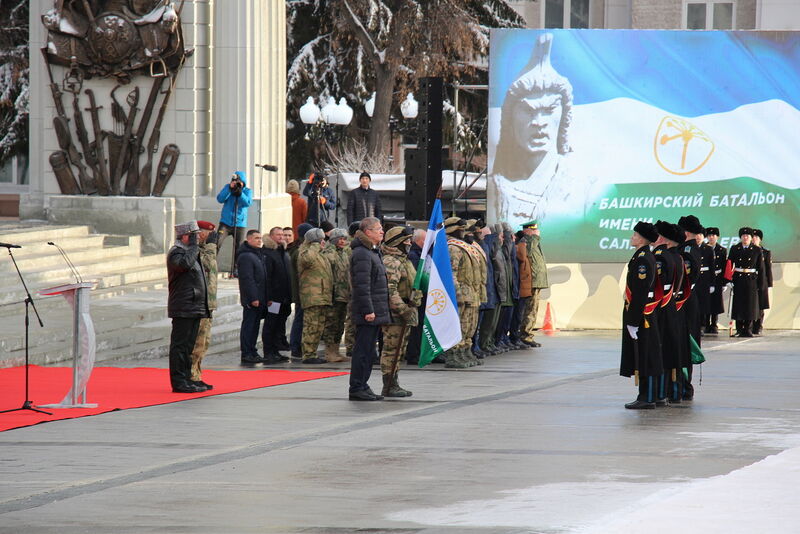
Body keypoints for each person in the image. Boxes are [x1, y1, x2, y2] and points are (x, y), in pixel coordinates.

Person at [489, 33, 589, 230]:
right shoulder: (496, 186)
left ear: (563, 117)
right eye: (528, 110)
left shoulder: (582, 186)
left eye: (549, 110)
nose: (539, 122)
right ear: (510, 119)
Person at [620, 221, 663, 409]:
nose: (632, 238)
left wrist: (633, 320)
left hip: (642, 314)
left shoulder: (643, 259)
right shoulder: (642, 256)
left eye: (635, 235)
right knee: (644, 354)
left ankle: (647, 397)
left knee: (645, 355)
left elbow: (641, 291)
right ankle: (646, 395)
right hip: (642, 312)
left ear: (643, 239)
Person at [348, 217, 390, 401]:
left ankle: (363, 385)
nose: (382, 232)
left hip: (376, 308)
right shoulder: (362, 254)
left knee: (368, 352)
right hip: (368, 311)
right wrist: (368, 310)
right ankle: (357, 387)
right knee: (363, 351)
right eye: (378, 229)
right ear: (368, 232)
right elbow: (361, 286)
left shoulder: (372, 251)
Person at [166, 221, 210, 393]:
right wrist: (193, 246)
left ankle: (187, 378)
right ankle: (178, 381)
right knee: (180, 346)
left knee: (189, 346)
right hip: (183, 306)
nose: (198, 238)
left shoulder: (190, 252)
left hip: (194, 305)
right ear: (185, 236)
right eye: (194, 235)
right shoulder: (176, 253)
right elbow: (184, 265)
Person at [380, 226, 421, 397]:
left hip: (406, 311)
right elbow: (390, 291)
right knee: (391, 349)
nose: (409, 243)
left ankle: (394, 381)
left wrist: (417, 297)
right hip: (395, 313)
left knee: (400, 349)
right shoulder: (391, 262)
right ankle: (389, 384)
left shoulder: (404, 260)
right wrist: (403, 309)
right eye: (406, 241)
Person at [444, 217, 479, 368]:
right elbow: (451, 273)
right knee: (458, 325)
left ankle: (464, 351)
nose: (464, 232)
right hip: (460, 293)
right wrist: (457, 293)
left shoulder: (462, 246)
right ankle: (453, 354)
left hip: (469, 292)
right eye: (461, 229)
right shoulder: (452, 247)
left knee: (468, 326)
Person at [189, 221, 219, 390]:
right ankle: (191, 375)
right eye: (208, 233)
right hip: (199, 303)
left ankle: (197, 374)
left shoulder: (207, 249)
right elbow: (207, 264)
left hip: (208, 303)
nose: (211, 236)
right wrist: (211, 246)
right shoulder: (197, 250)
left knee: (204, 343)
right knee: (196, 343)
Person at [677, 215, 703, 400]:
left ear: (685, 233)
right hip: (686, 299)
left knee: (686, 342)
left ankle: (685, 386)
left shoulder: (688, 250)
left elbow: (686, 277)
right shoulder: (688, 248)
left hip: (685, 300)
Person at [298, 228, 333, 364]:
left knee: (318, 327)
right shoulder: (305, 252)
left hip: (322, 295)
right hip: (312, 295)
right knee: (311, 326)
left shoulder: (319, 253)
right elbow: (307, 260)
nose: (323, 242)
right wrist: (315, 245)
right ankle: (308, 355)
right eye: (320, 240)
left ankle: (312, 352)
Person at [237, 229, 272, 365]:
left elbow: (264, 278)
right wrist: (253, 298)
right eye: (256, 238)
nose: (259, 241)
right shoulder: (246, 256)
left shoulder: (258, 254)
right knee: (249, 325)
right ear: (249, 239)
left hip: (261, 297)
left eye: (260, 238)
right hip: (252, 299)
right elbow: (247, 279)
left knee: (255, 326)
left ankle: (252, 351)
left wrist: (266, 297)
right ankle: (247, 352)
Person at [726, 227, 764, 338]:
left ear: (751, 237)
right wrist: (728, 279)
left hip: (751, 280)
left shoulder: (757, 250)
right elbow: (729, 264)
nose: (745, 237)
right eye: (743, 235)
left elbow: (761, 269)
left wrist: (761, 284)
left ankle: (748, 328)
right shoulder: (735, 248)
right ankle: (739, 329)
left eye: (747, 235)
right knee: (738, 304)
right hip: (738, 279)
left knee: (749, 305)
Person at [321, 228, 351, 362]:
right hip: (333, 294)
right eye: (340, 239)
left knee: (340, 324)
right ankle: (329, 352)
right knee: (331, 324)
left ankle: (336, 350)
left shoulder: (344, 253)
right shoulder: (329, 252)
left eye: (344, 239)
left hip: (344, 294)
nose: (343, 241)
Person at [262, 226, 292, 360]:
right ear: (271, 236)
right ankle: (269, 351)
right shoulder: (268, 253)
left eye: (283, 235)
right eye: (278, 235)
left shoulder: (283, 251)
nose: (282, 237)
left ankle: (276, 350)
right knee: (271, 324)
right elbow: (267, 277)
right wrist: (269, 297)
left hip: (284, 296)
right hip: (273, 298)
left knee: (279, 324)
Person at [216, 171, 253, 275]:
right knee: (217, 242)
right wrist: (229, 189)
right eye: (235, 181)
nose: (236, 183)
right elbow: (220, 199)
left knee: (239, 247)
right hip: (225, 223)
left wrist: (240, 193)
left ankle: (237, 269)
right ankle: (211, 265)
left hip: (240, 223)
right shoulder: (227, 187)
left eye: (239, 181)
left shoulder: (247, 191)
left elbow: (247, 203)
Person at [520, 220, 548, 348]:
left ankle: (528, 334)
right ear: (527, 230)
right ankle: (525, 335)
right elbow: (529, 253)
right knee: (529, 310)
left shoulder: (533, 241)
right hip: (531, 281)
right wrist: (534, 237)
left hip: (537, 281)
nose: (536, 232)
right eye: (533, 230)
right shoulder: (526, 241)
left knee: (533, 310)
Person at [288, 222, 313, 359]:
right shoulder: (300, 252)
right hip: (302, 292)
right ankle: (296, 347)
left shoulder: (299, 250)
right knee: (300, 319)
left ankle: (297, 346)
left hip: (302, 291)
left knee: (301, 319)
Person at [704, 227, 727, 334]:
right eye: (709, 235)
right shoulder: (704, 248)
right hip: (707, 278)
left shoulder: (722, 250)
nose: (711, 237)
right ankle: (706, 324)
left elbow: (724, 266)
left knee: (716, 302)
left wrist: (724, 282)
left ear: (717, 237)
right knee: (706, 301)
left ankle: (714, 323)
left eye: (713, 235)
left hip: (717, 278)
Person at [695, 229, 716, 337]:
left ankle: (702, 326)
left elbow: (712, 267)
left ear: (704, 237)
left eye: (700, 235)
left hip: (704, 279)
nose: (698, 237)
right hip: (694, 279)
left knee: (703, 304)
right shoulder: (691, 248)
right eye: (697, 234)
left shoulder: (708, 249)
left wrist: (712, 283)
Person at [752, 229, 773, 335]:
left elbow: (768, 268)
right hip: (751, 280)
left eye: (756, 237)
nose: (754, 239)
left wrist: (769, 283)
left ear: (760, 239)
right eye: (753, 237)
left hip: (762, 281)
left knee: (761, 304)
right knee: (751, 303)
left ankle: (758, 326)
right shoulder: (749, 250)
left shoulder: (765, 252)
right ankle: (750, 325)